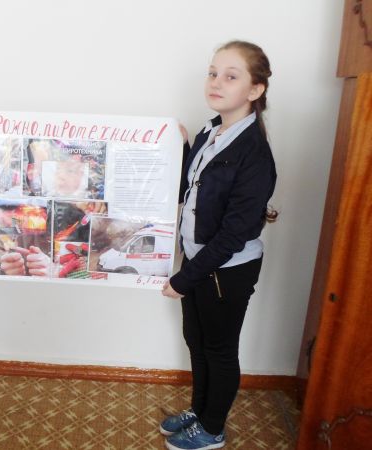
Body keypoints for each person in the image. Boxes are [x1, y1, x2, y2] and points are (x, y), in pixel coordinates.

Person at [160, 41, 277, 450]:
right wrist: (179, 149)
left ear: (255, 90)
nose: (216, 82)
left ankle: (212, 429)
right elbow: (190, 191)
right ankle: (200, 410)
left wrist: (184, 278)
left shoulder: (254, 154)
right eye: (213, 73)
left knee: (219, 349)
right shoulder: (211, 131)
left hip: (226, 269)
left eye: (231, 76)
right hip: (198, 261)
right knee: (197, 341)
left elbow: (232, 234)